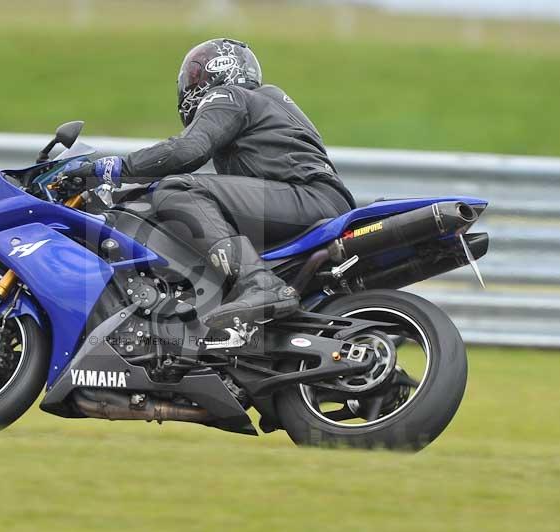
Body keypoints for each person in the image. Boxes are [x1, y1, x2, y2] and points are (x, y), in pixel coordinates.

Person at [56, 38, 355, 328]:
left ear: (219, 70)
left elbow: (187, 151)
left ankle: (259, 283)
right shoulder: (265, 103)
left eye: (196, 75)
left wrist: (113, 168)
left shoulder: (230, 95)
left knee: (178, 189)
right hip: (311, 199)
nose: (191, 83)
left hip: (306, 198)